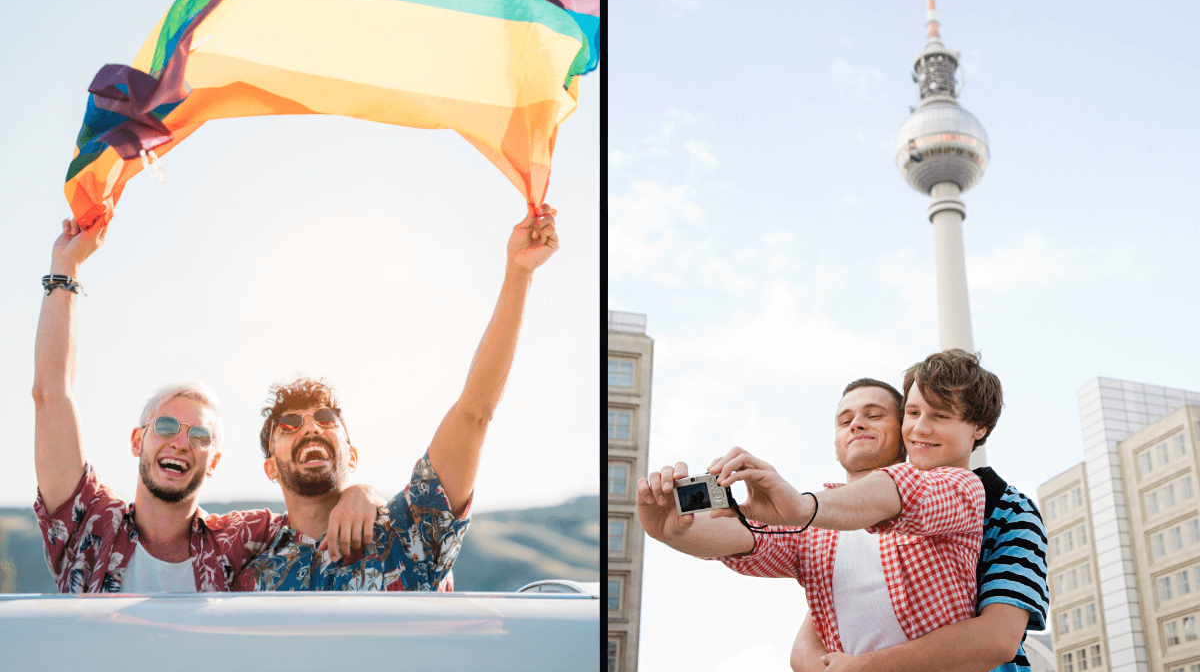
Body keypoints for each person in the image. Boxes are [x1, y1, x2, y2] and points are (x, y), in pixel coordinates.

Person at [32, 218, 385, 593]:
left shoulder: (242, 539)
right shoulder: (90, 523)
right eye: (166, 426)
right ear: (138, 440)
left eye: (200, 436)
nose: (181, 443)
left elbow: (311, 501)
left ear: (213, 462)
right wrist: (64, 269)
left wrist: (362, 493)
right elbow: (50, 396)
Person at [640, 353, 1044, 669]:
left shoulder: (979, 496)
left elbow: (997, 638)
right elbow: (751, 538)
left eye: (875, 415)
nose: (920, 428)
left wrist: (801, 507)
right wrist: (672, 532)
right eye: (844, 419)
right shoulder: (818, 522)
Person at [234, 204, 559, 591]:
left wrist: (518, 273)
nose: (309, 428)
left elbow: (475, 411)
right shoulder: (250, 578)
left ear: (351, 455)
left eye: (325, 419)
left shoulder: (408, 534)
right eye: (289, 424)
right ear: (270, 467)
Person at [791, 354, 1049, 672]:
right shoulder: (872, 508)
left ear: (979, 427)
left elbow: (997, 638)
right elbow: (815, 632)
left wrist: (864, 667)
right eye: (912, 413)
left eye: (940, 416)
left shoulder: (1010, 511)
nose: (920, 428)